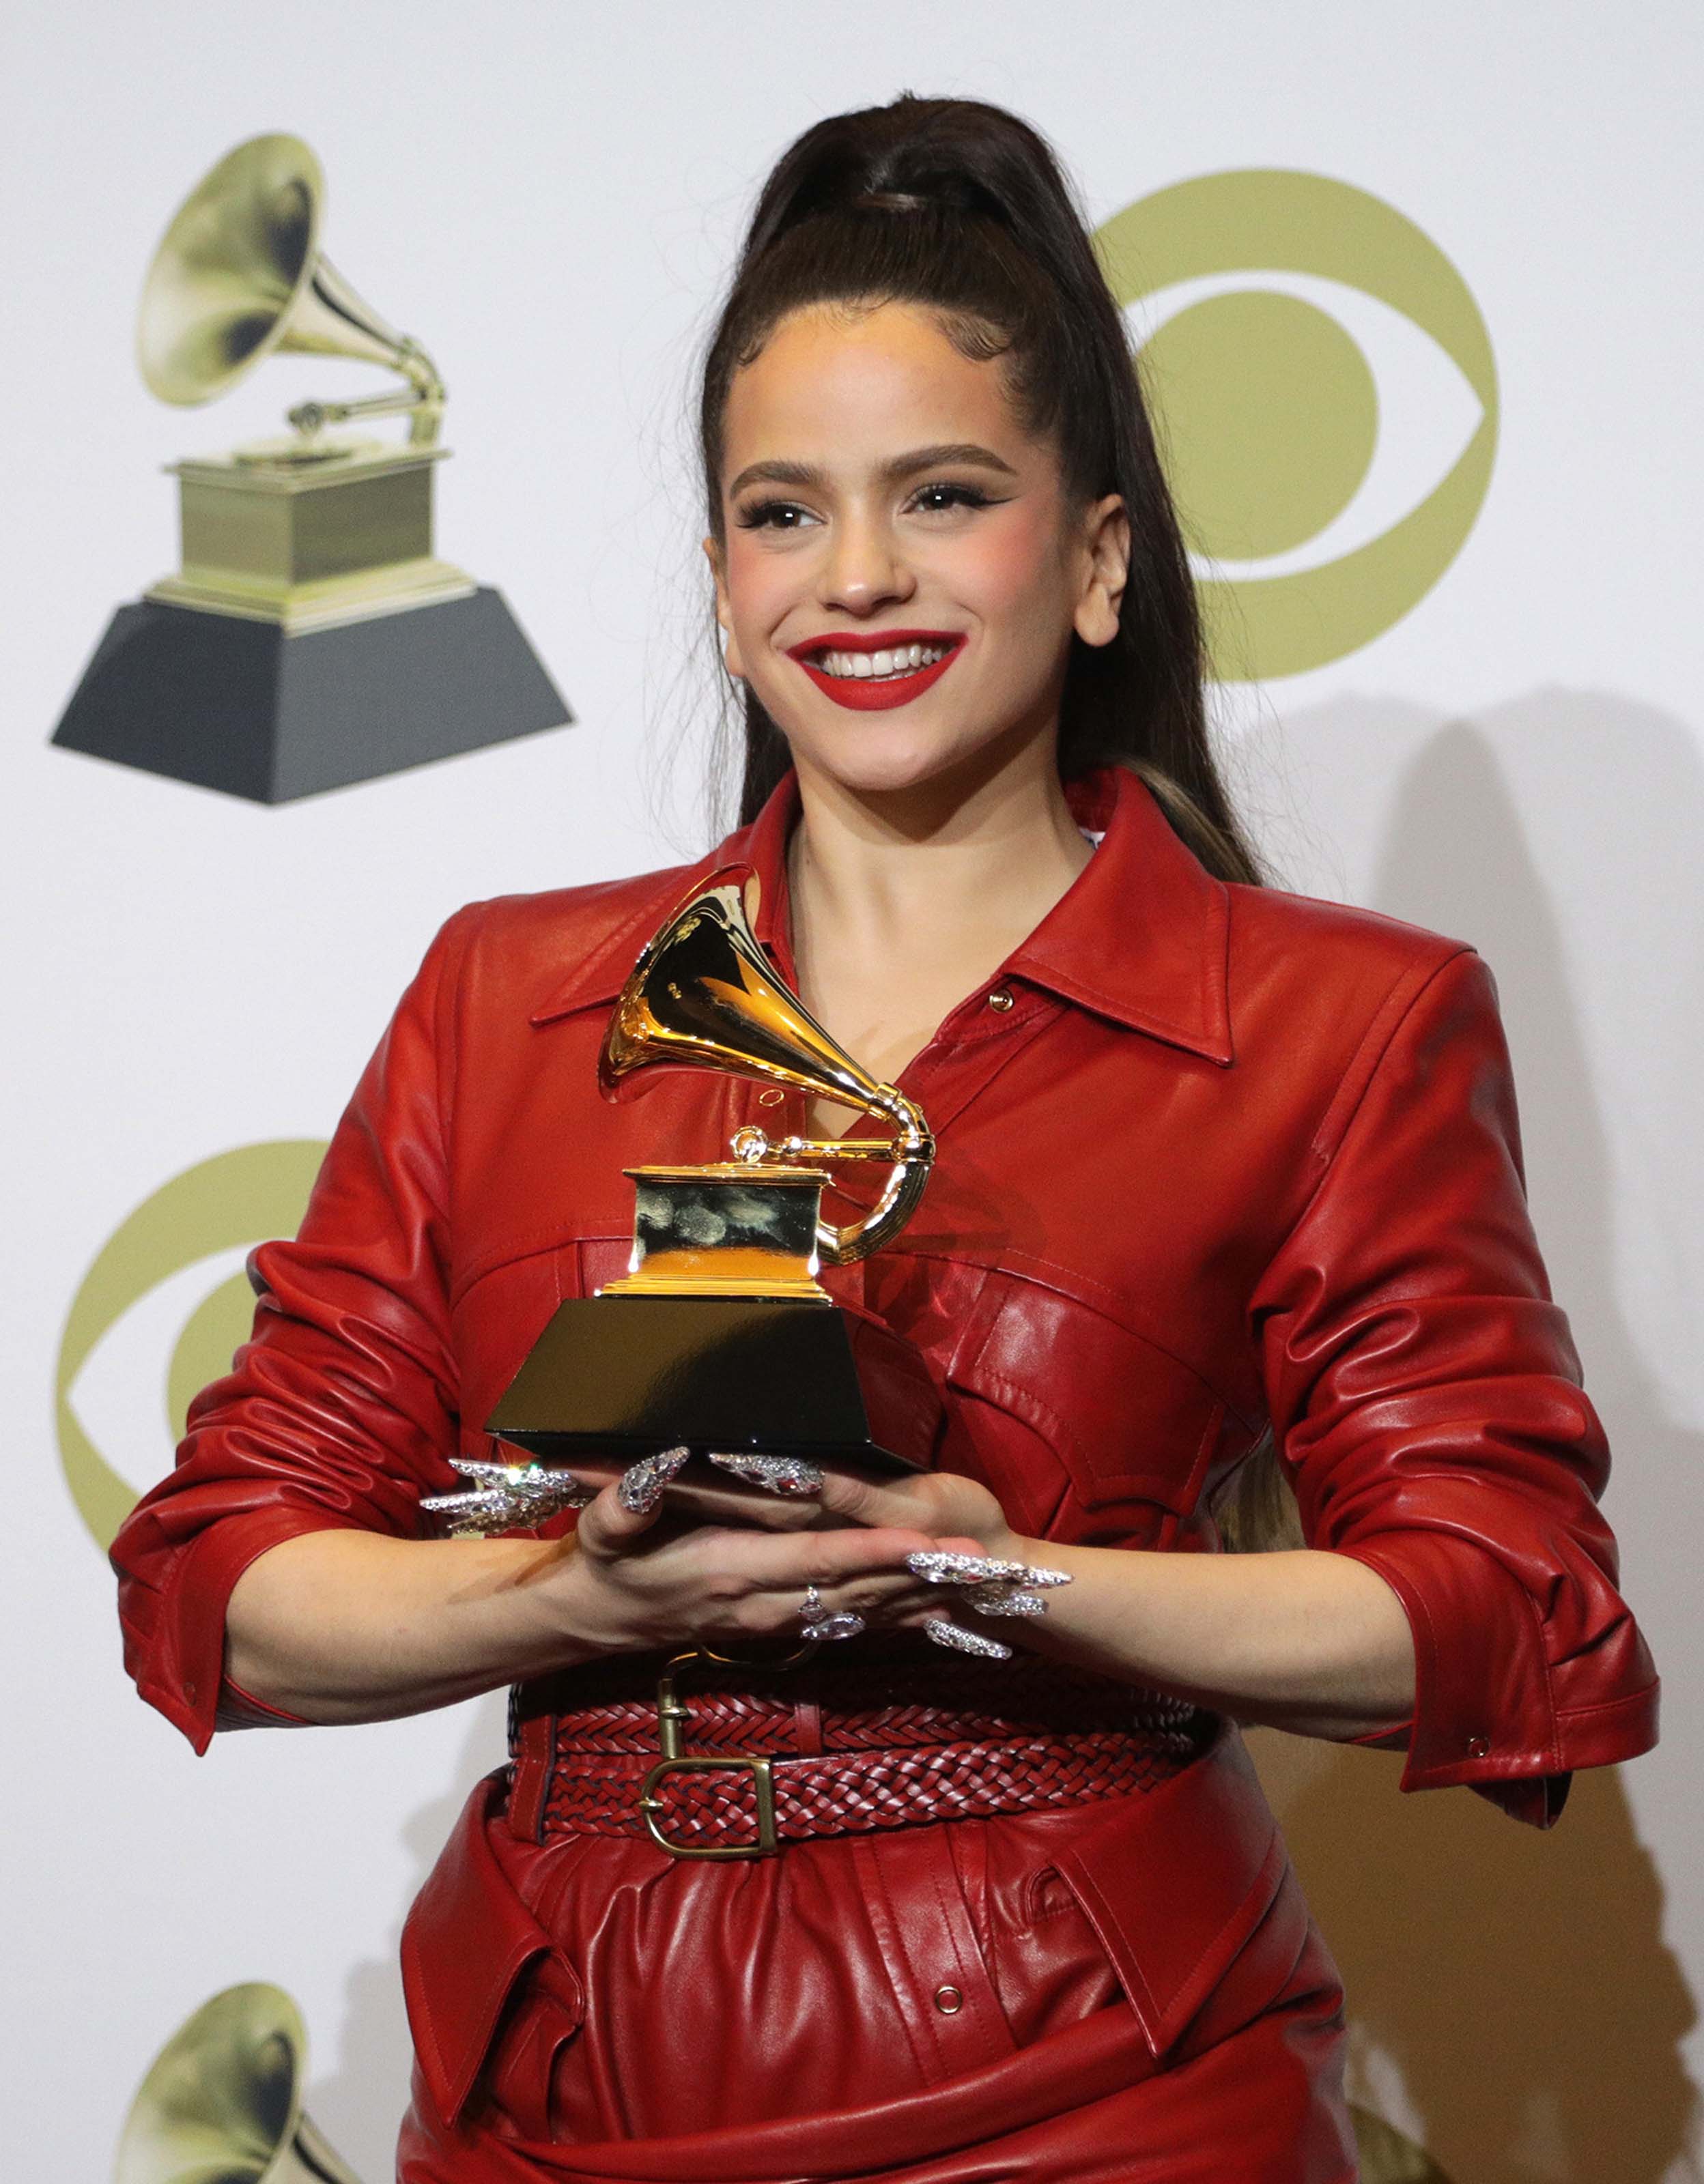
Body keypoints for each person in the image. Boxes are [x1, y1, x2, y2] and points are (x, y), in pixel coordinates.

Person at [111, 95, 1658, 2184]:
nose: (857, 578)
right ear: (722, 574)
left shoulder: (1338, 1020)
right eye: (781, 513)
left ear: (1097, 558)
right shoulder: (507, 998)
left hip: (1107, 2092)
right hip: (554, 2088)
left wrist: (980, 1572)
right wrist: (580, 1600)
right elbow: (225, 1578)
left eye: (942, 497)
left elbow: (1500, 1609)